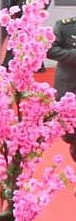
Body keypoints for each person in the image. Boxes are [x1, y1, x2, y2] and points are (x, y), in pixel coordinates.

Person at [47, 15, 76, 161]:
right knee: (71, 133)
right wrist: (73, 56)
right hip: (70, 85)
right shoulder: (64, 26)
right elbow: (50, 50)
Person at [5, 0, 45, 67]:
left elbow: (45, 1)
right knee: (15, 41)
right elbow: (10, 3)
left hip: (31, 21)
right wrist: (12, 15)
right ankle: (9, 63)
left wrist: (39, 11)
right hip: (18, 20)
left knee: (33, 43)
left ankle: (38, 65)